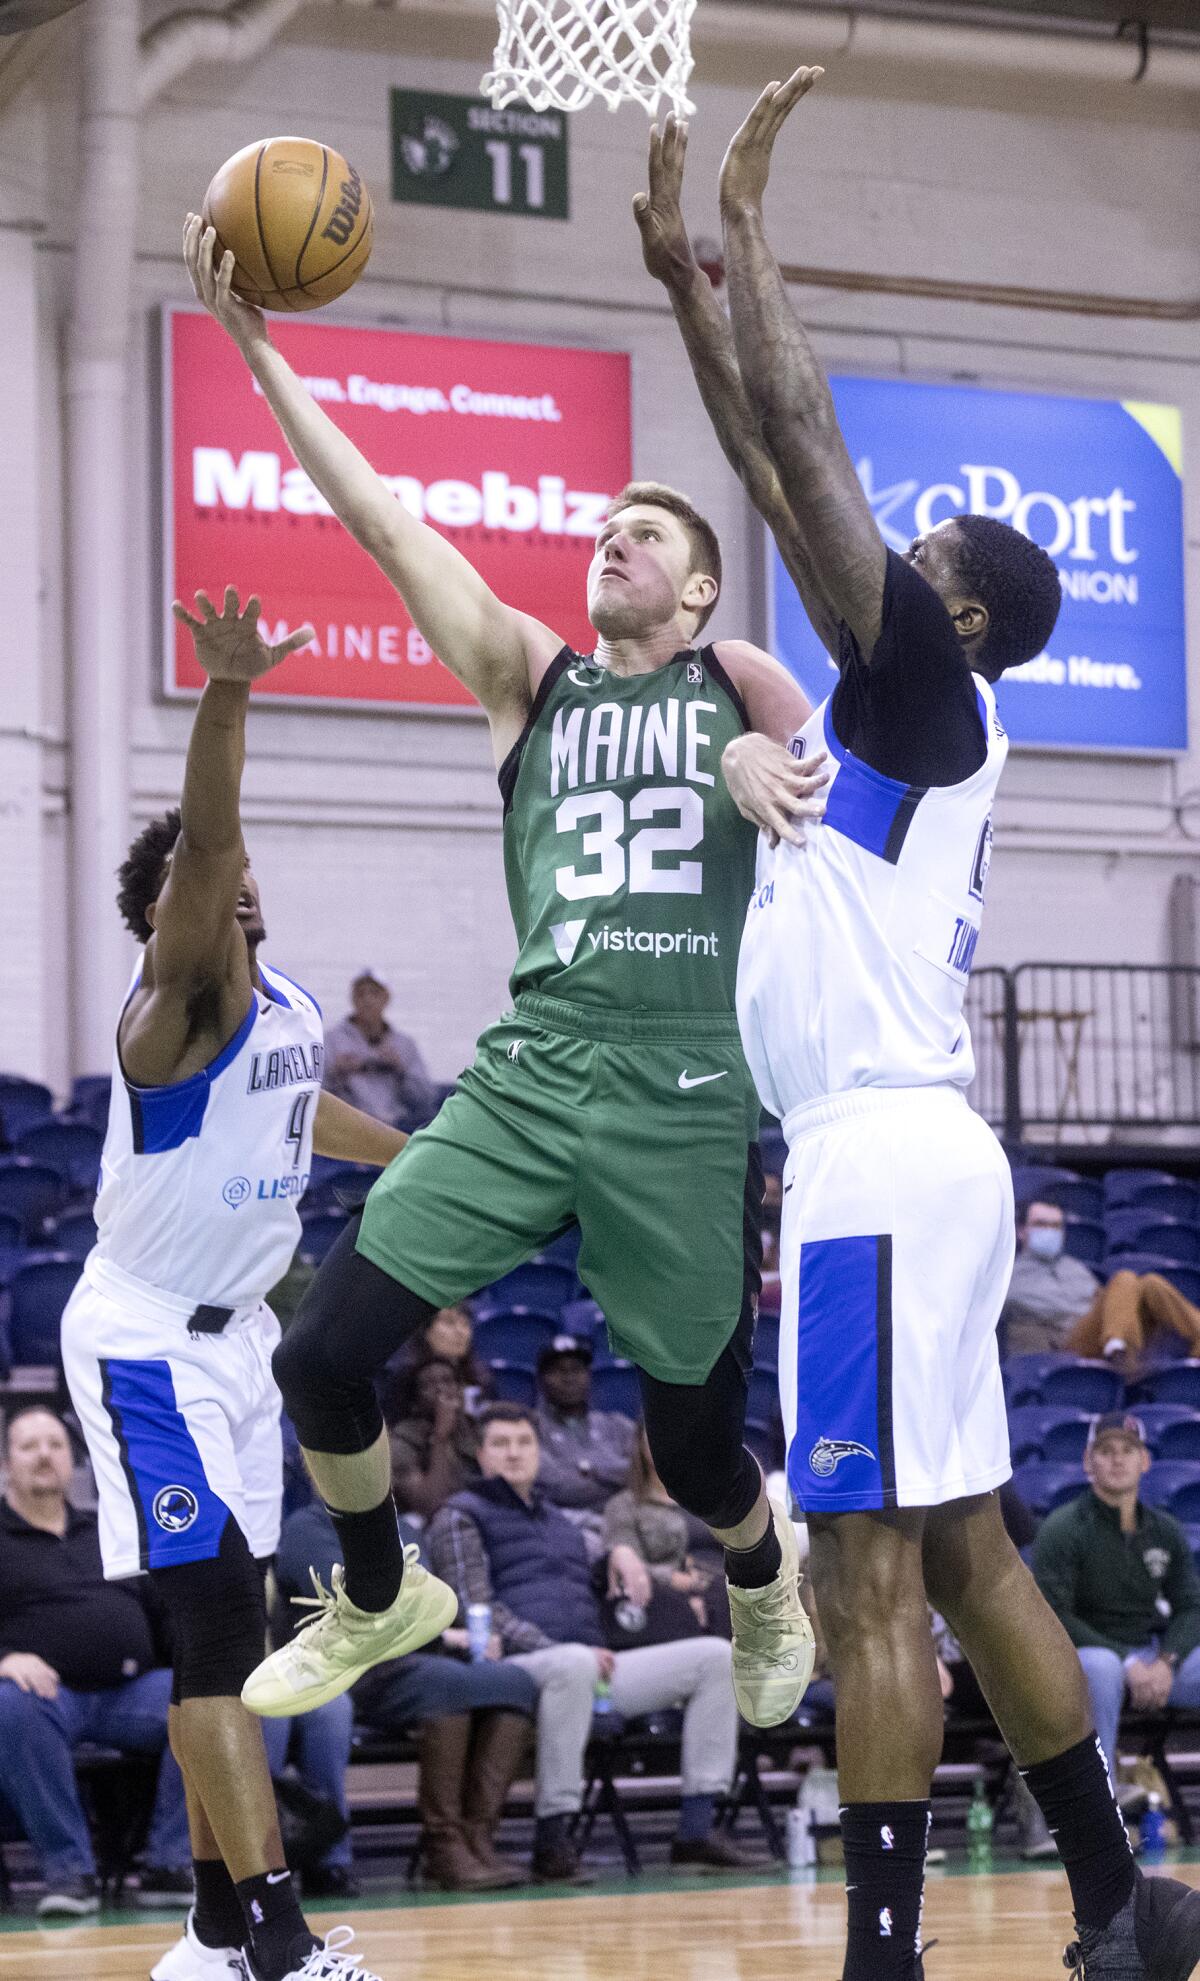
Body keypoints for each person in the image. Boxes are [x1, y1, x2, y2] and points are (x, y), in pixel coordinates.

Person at [639, 75, 1200, 1978]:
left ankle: (886, 1956)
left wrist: (753, 244)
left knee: (873, 1577)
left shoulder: (933, 701)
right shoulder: (892, 713)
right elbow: (775, 469)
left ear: (951, 616)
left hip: (881, 1163)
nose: (875, 567)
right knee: (967, 1556)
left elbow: (804, 450)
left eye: (914, 568)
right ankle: (1123, 1899)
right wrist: (687, 287)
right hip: (915, 1155)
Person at [182, 215, 824, 1740]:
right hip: (533, 1072)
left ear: (704, 590)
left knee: (700, 1437)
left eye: (650, 532)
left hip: (683, 1088)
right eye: (607, 524)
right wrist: (261, 355)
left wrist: (763, 754)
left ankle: (757, 1575)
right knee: (323, 1350)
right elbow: (392, 522)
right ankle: (373, 1584)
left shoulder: (744, 680)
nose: (617, 536)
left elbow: (856, 814)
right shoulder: (529, 680)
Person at [58, 587, 452, 1981]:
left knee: (236, 1644)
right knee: (218, 1631)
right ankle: (278, 1947)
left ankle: (216, 1938)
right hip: (148, 1343)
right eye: (216, 882)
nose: (244, 884)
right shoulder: (169, 1015)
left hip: (239, 1354)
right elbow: (210, 835)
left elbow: (311, 1121)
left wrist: (429, 1160)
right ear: (175, 914)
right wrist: (226, 693)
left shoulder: (284, 1011)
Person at [428, 1404, 758, 1880]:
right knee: (575, 1666)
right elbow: (475, 1609)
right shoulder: (461, 1516)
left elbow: (598, 1581)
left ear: (540, 1453)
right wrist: (555, 1646)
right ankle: (552, 1839)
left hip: (595, 1661)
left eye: (524, 1443)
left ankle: (696, 1829)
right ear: (481, 1455)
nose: (514, 1454)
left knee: (714, 1658)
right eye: (501, 1444)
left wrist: (621, 1558)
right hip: (520, 1665)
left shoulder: (561, 1522)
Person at [275, 1501, 536, 1892]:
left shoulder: (401, 1527)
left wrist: (461, 1634)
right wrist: (439, 1633)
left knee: (515, 1682)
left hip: (415, 1662)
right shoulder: (306, 1528)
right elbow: (353, 1603)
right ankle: (443, 1845)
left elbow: (433, 1600)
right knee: (445, 1682)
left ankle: (478, 1838)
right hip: (349, 1666)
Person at [0, 1407, 191, 1915]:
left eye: (55, 1444)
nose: (44, 1455)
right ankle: (70, 1875)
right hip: (45, 1698)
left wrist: (204, 1664)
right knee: (11, 1702)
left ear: (72, 1460)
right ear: (5, 1463)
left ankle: (168, 1864)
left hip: (130, 1692)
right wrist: (4, 1659)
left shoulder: (111, 1528)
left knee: (202, 1697)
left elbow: (164, 1614)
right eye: (29, 1446)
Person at [1035, 1414, 1200, 1785]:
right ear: (1087, 1461)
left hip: (1150, 1654)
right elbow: (1054, 1614)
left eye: (1128, 1450)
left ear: (1145, 1461)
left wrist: (1167, 1661)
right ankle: (1102, 1806)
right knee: (1103, 1667)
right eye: (1105, 1451)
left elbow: (1191, 1605)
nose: (1117, 1460)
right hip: (1085, 1657)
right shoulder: (1063, 1528)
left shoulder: (1164, 1529)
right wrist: (1127, 1661)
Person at [603, 1422, 731, 1637]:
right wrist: (673, 1579)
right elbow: (625, 1566)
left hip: (728, 1588)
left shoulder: (716, 1496)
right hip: (669, 1600)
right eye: (657, 1434)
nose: (667, 1442)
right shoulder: (624, 1506)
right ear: (641, 1446)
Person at [534, 1335, 636, 1535]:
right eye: (558, 1370)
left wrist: (590, 1469)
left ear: (589, 1375)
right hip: (564, 1525)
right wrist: (616, 1477)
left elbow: (642, 1474)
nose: (569, 1378)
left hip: (626, 1521)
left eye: (576, 1369)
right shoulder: (532, 1428)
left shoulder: (617, 1424)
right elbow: (557, 1488)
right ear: (541, 1379)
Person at [323, 970, 439, 1129]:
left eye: (374, 993)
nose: (367, 1000)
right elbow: (315, 1097)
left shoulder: (404, 1044)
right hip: (349, 1127)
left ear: (386, 998)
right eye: (361, 994)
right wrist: (336, 1073)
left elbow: (425, 1099)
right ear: (353, 999)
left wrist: (400, 1070)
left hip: (398, 1127)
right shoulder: (332, 1040)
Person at [1004, 1201, 1103, 1357]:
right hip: (1057, 1347)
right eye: (1041, 1224)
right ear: (1021, 1231)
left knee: (1132, 1283)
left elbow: (1101, 1303)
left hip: (1093, 1340)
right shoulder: (1010, 1274)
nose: (1049, 1231)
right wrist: (1080, 1309)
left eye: (1055, 1226)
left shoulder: (1077, 1269)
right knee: (1124, 1281)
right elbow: (1014, 1299)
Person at [387, 1358, 480, 1521]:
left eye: (448, 1381)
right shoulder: (401, 1441)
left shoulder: (475, 1429)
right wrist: (440, 1436)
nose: (441, 1389)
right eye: (428, 1385)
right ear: (414, 1402)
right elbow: (430, 1505)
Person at [382, 1304, 496, 1419]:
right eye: (449, 1323)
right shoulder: (405, 1379)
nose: (460, 1331)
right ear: (426, 1331)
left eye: (465, 1324)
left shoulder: (481, 1378)